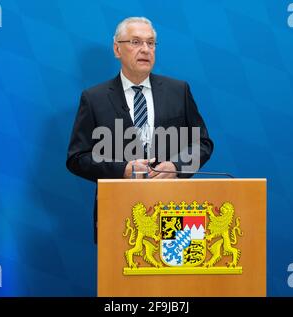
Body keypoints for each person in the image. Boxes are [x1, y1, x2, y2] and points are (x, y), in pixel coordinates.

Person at [66, 17, 213, 242]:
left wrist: (176, 166)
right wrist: (122, 170)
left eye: (151, 43)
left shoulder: (178, 90)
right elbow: (78, 158)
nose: (145, 49)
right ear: (117, 49)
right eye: (135, 42)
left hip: (175, 206)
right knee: (122, 275)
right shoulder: (94, 99)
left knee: (178, 275)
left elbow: (202, 143)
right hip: (119, 211)